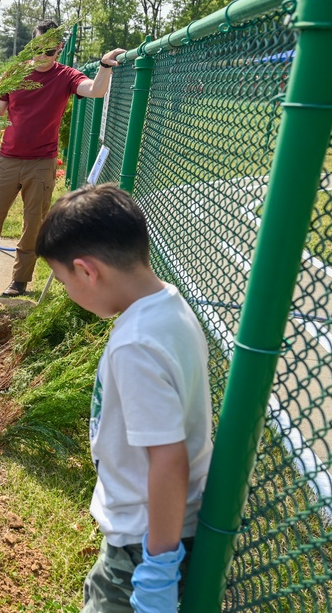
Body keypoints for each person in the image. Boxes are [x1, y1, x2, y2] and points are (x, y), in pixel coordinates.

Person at [35, 184, 212, 613]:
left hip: (145, 542)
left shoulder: (136, 344)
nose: (67, 291)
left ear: (87, 271)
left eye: (63, 281)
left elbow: (168, 457)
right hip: (152, 532)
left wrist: (159, 566)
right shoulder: (167, 306)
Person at [0, 20, 124, 297]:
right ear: (32, 45)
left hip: (42, 163)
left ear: (59, 49)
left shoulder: (66, 76)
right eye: (38, 48)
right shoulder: (14, 74)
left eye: (49, 51)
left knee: (33, 225)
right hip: (7, 161)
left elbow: (96, 90)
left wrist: (104, 66)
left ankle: (19, 282)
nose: (42, 55)